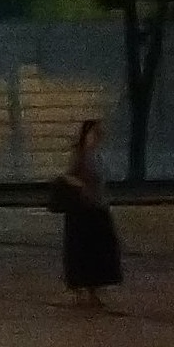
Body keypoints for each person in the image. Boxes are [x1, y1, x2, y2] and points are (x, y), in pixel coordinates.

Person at [54, 119, 123, 309]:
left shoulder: (98, 155)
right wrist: (80, 185)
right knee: (82, 252)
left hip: (98, 208)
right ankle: (80, 290)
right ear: (86, 135)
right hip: (82, 211)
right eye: (95, 133)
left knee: (99, 252)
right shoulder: (80, 155)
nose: (98, 136)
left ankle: (93, 291)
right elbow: (66, 176)